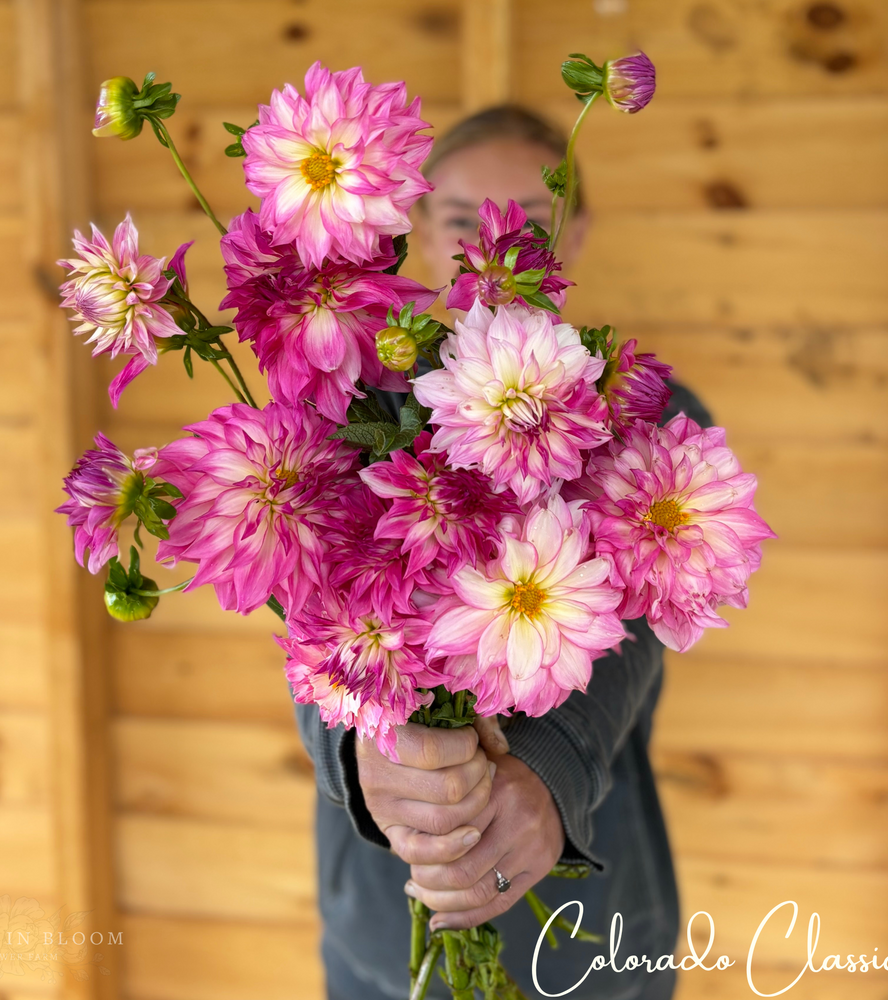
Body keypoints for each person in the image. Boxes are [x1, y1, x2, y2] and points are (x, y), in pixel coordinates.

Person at [293, 105, 711, 1000]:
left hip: (590, 944)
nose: (497, 246)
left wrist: (547, 770)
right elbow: (304, 629)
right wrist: (367, 757)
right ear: (413, 223)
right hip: (379, 933)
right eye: (460, 220)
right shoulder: (352, 413)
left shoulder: (654, 420)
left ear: (576, 231)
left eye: (529, 216)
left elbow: (631, 642)